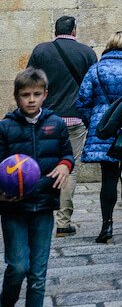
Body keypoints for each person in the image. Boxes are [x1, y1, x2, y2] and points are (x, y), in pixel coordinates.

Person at [0, 68, 74, 307]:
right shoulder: (5, 127)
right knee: (18, 266)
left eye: (36, 94)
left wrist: (65, 165)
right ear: (16, 96)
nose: (31, 100)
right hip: (13, 209)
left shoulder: (56, 124)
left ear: (45, 94)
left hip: (43, 205)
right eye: (25, 95)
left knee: (38, 275)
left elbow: (67, 154)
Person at [27, 15, 97, 237]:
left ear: (55, 30)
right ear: (74, 31)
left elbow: (29, 82)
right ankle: (64, 222)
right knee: (70, 168)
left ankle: (40, 215)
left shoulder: (41, 51)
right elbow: (93, 87)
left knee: (43, 164)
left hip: (47, 119)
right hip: (76, 119)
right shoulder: (87, 53)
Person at [76, 31, 122, 243]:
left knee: (108, 178)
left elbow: (82, 101)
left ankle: (106, 226)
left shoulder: (96, 69)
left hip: (104, 127)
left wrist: (94, 121)